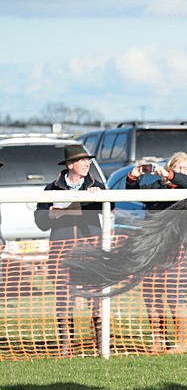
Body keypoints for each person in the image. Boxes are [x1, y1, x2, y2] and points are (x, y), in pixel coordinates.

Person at [34, 144, 108, 356]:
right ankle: (66, 346)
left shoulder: (96, 185)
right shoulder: (51, 189)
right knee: (64, 300)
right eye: (82, 160)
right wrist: (50, 215)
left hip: (91, 252)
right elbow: (40, 220)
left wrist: (98, 196)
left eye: (88, 160)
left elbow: (110, 207)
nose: (87, 164)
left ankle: (101, 344)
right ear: (69, 164)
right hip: (61, 253)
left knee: (96, 298)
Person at [126, 152, 187, 353]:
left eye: (186, 168)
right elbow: (133, 194)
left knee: (175, 294)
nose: (182, 171)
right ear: (169, 167)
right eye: (178, 167)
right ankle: (158, 341)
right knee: (151, 294)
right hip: (153, 249)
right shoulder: (156, 187)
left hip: (178, 249)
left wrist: (171, 175)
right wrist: (133, 177)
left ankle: (182, 343)